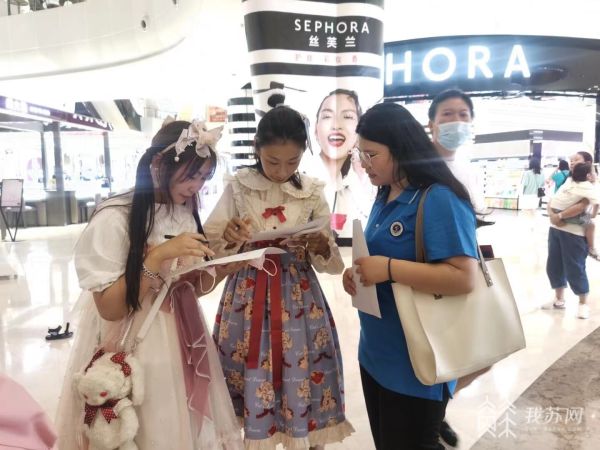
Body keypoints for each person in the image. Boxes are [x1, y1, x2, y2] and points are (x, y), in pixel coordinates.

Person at [55, 120, 244, 449]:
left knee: (179, 425)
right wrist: (157, 258)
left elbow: (188, 289)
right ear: (158, 165)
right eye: (191, 175)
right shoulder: (116, 217)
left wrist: (229, 262)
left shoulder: (183, 211)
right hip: (134, 342)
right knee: (143, 424)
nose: (197, 187)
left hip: (183, 339)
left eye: (204, 177)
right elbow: (110, 308)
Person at [204, 105, 354, 449]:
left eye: (292, 162)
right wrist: (229, 234)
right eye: (273, 162)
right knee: (248, 363)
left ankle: (305, 434)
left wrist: (320, 243)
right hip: (247, 294)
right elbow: (211, 245)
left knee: (300, 365)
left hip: (298, 297)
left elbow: (330, 261)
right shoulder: (238, 187)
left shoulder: (312, 191)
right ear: (256, 148)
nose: (282, 171)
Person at [342, 103, 478, 450]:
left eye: (372, 154)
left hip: (416, 365)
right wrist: (357, 273)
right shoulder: (386, 192)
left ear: (400, 148)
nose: (364, 163)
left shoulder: (439, 198)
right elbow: (378, 256)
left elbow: (464, 277)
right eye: (360, 153)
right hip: (376, 353)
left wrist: (388, 268)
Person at [300, 89, 374, 244]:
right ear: (315, 130)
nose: (336, 125)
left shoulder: (367, 179)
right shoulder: (299, 176)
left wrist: (361, 178)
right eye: (327, 116)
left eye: (347, 117)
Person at [544, 152, 596, 319]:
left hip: (574, 233)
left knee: (575, 268)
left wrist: (558, 216)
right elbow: (555, 198)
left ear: (587, 163)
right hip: (555, 229)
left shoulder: (590, 184)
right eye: (571, 160)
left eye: (576, 160)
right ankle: (559, 298)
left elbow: (582, 206)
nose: (572, 163)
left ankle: (583, 303)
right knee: (554, 265)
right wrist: (552, 214)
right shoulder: (569, 179)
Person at [428, 89, 487, 215]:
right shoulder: (415, 166)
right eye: (447, 113)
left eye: (463, 114)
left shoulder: (470, 172)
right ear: (431, 125)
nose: (456, 120)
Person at [549, 162, 599, 259]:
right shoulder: (588, 187)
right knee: (591, 225)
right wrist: (593, 215)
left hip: (554, 208)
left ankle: (560, 220)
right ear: (588, 176)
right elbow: (596, 203)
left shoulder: (570, 181)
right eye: (594, 172)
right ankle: (591, 248)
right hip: (565, 215)